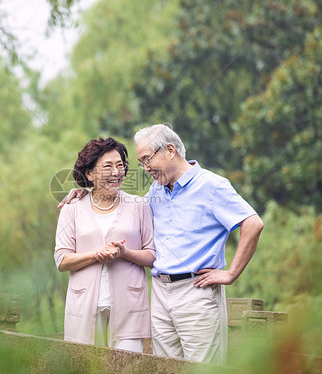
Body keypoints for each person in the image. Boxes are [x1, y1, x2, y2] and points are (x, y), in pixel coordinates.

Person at [58, 124, 264, 365]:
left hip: (196, 291)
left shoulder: (212, 186)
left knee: (202, 369)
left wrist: (231, 274)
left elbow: (253, 223)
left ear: (169, 150)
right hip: (160, 295)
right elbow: (123, 208)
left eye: (147, 160)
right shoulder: (156, 192)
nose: (145, 169)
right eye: (140, 162)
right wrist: (83, 191)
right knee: (165, 368)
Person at [54, 136, 155, 352]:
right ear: (89, 173)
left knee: (128, 365)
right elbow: (62, 260)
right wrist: (96, 254)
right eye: (107, 166)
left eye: (120, 165)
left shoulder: (139, 206)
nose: (116, 172)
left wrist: (125, 253)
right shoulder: (72, 208)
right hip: (84, 305)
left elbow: (152, 256)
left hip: (129, 304)